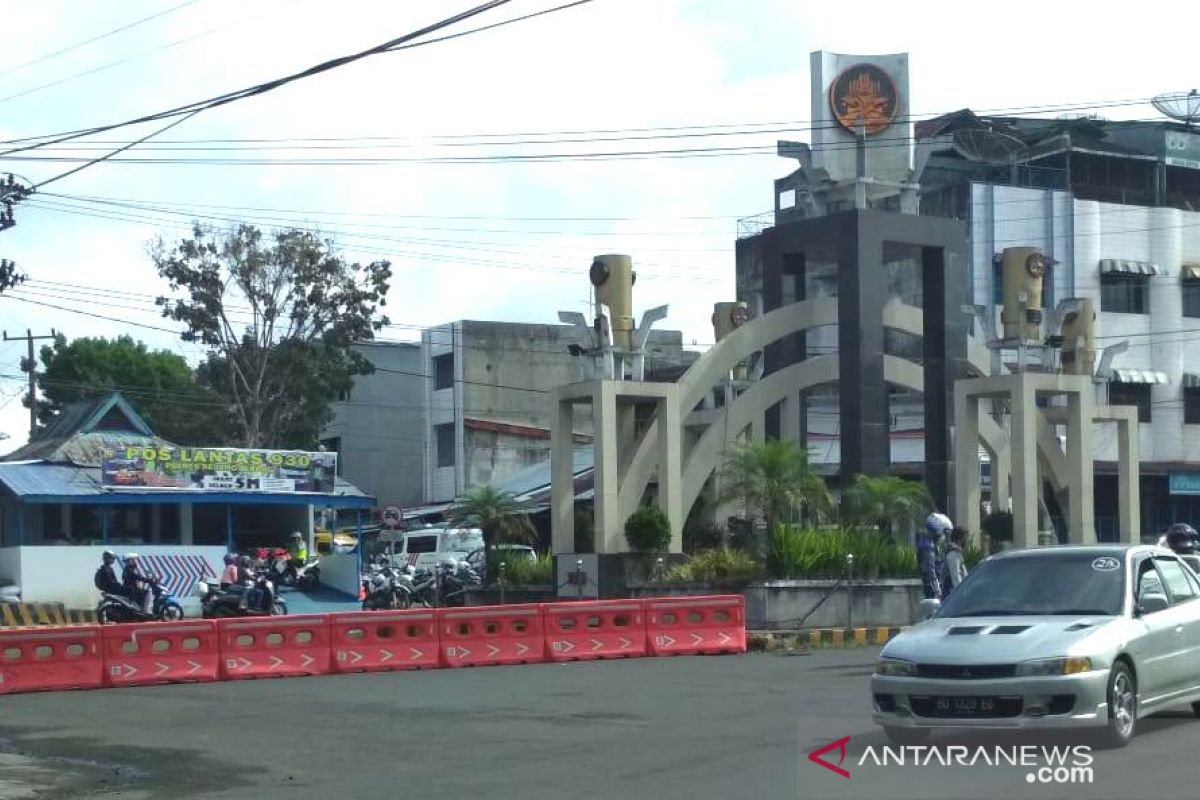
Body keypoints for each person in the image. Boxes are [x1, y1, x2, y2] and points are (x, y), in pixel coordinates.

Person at [920, 512, 952, 601]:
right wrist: (938, 591)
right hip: (933, 589)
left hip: (935, 586)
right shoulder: (928, 547)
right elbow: (930, 571)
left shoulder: (931, 545)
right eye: (944, 532)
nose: (945, 536)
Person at [940, 527, 970, 595]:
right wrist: (961, 594)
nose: (966, 541)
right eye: (964, 538)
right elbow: (955, 577)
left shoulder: (957, 554)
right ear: (959, 539)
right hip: (952, 595)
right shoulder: (953, 555)